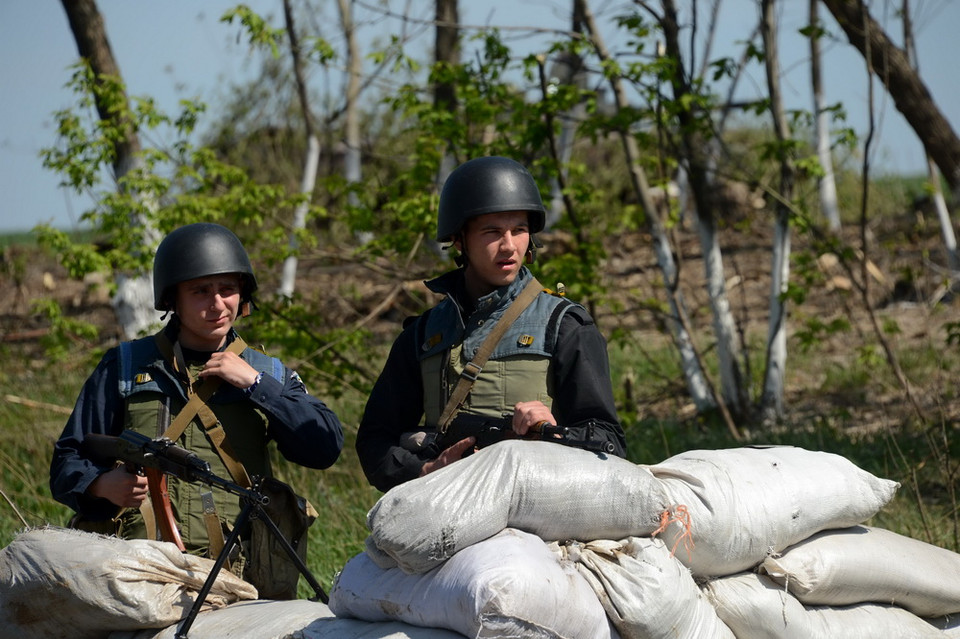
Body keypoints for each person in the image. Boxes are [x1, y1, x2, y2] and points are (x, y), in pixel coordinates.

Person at [50, 222, 343, 572]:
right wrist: (100, 484)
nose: (218, 304)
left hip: (241, 573)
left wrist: (255, 384)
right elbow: (66, 460)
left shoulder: (267, 372)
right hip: (137, 568)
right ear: (173, 299)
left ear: (242, 294)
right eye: (201, 291)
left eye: (227, 289)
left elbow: (325, 447)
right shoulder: (124, 366)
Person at [356, 156, 626, 492]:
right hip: (444, 501)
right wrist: (426, 470)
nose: (509, 246)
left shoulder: (566, 325)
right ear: (460, 240)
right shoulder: (422, 335)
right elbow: (375, 441)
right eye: (492, 232)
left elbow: (609, 444)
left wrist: (554, 432)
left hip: (538, 504)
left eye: (519, 230)